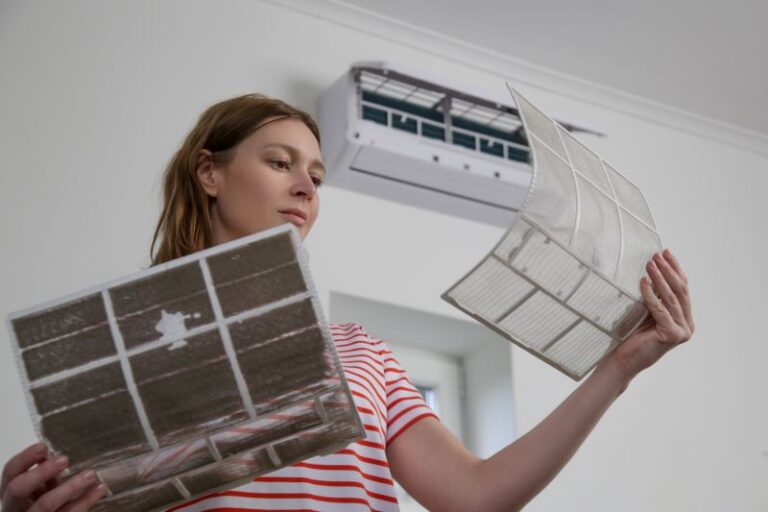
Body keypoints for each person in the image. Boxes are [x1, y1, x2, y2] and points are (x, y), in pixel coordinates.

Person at [1, 94, 695, 512]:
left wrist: (620, 367)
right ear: (209, 172)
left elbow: (476, 497)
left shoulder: (358, 349)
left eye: (317, 175)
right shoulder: (119, 354)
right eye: (279, 162)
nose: (306, 188)